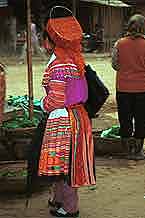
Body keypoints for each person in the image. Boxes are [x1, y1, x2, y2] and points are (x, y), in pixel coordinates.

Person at [27, 6, 96, 217]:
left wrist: (42, 104)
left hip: (64, 119)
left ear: (51, 40)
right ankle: (58, 199)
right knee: (61, 164)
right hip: (76, 116)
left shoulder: (58, 64)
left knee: (64, 166)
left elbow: (56, 99)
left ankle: (70, 207)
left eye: (44, 38)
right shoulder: (74, 58)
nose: (42, 42)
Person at [111, 14, 145, 160]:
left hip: (123, 87)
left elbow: (115, 65)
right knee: (141, 119)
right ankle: (138, 151)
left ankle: (126, 150)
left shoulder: (119, 43)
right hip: (142, 89)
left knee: (124, 118)